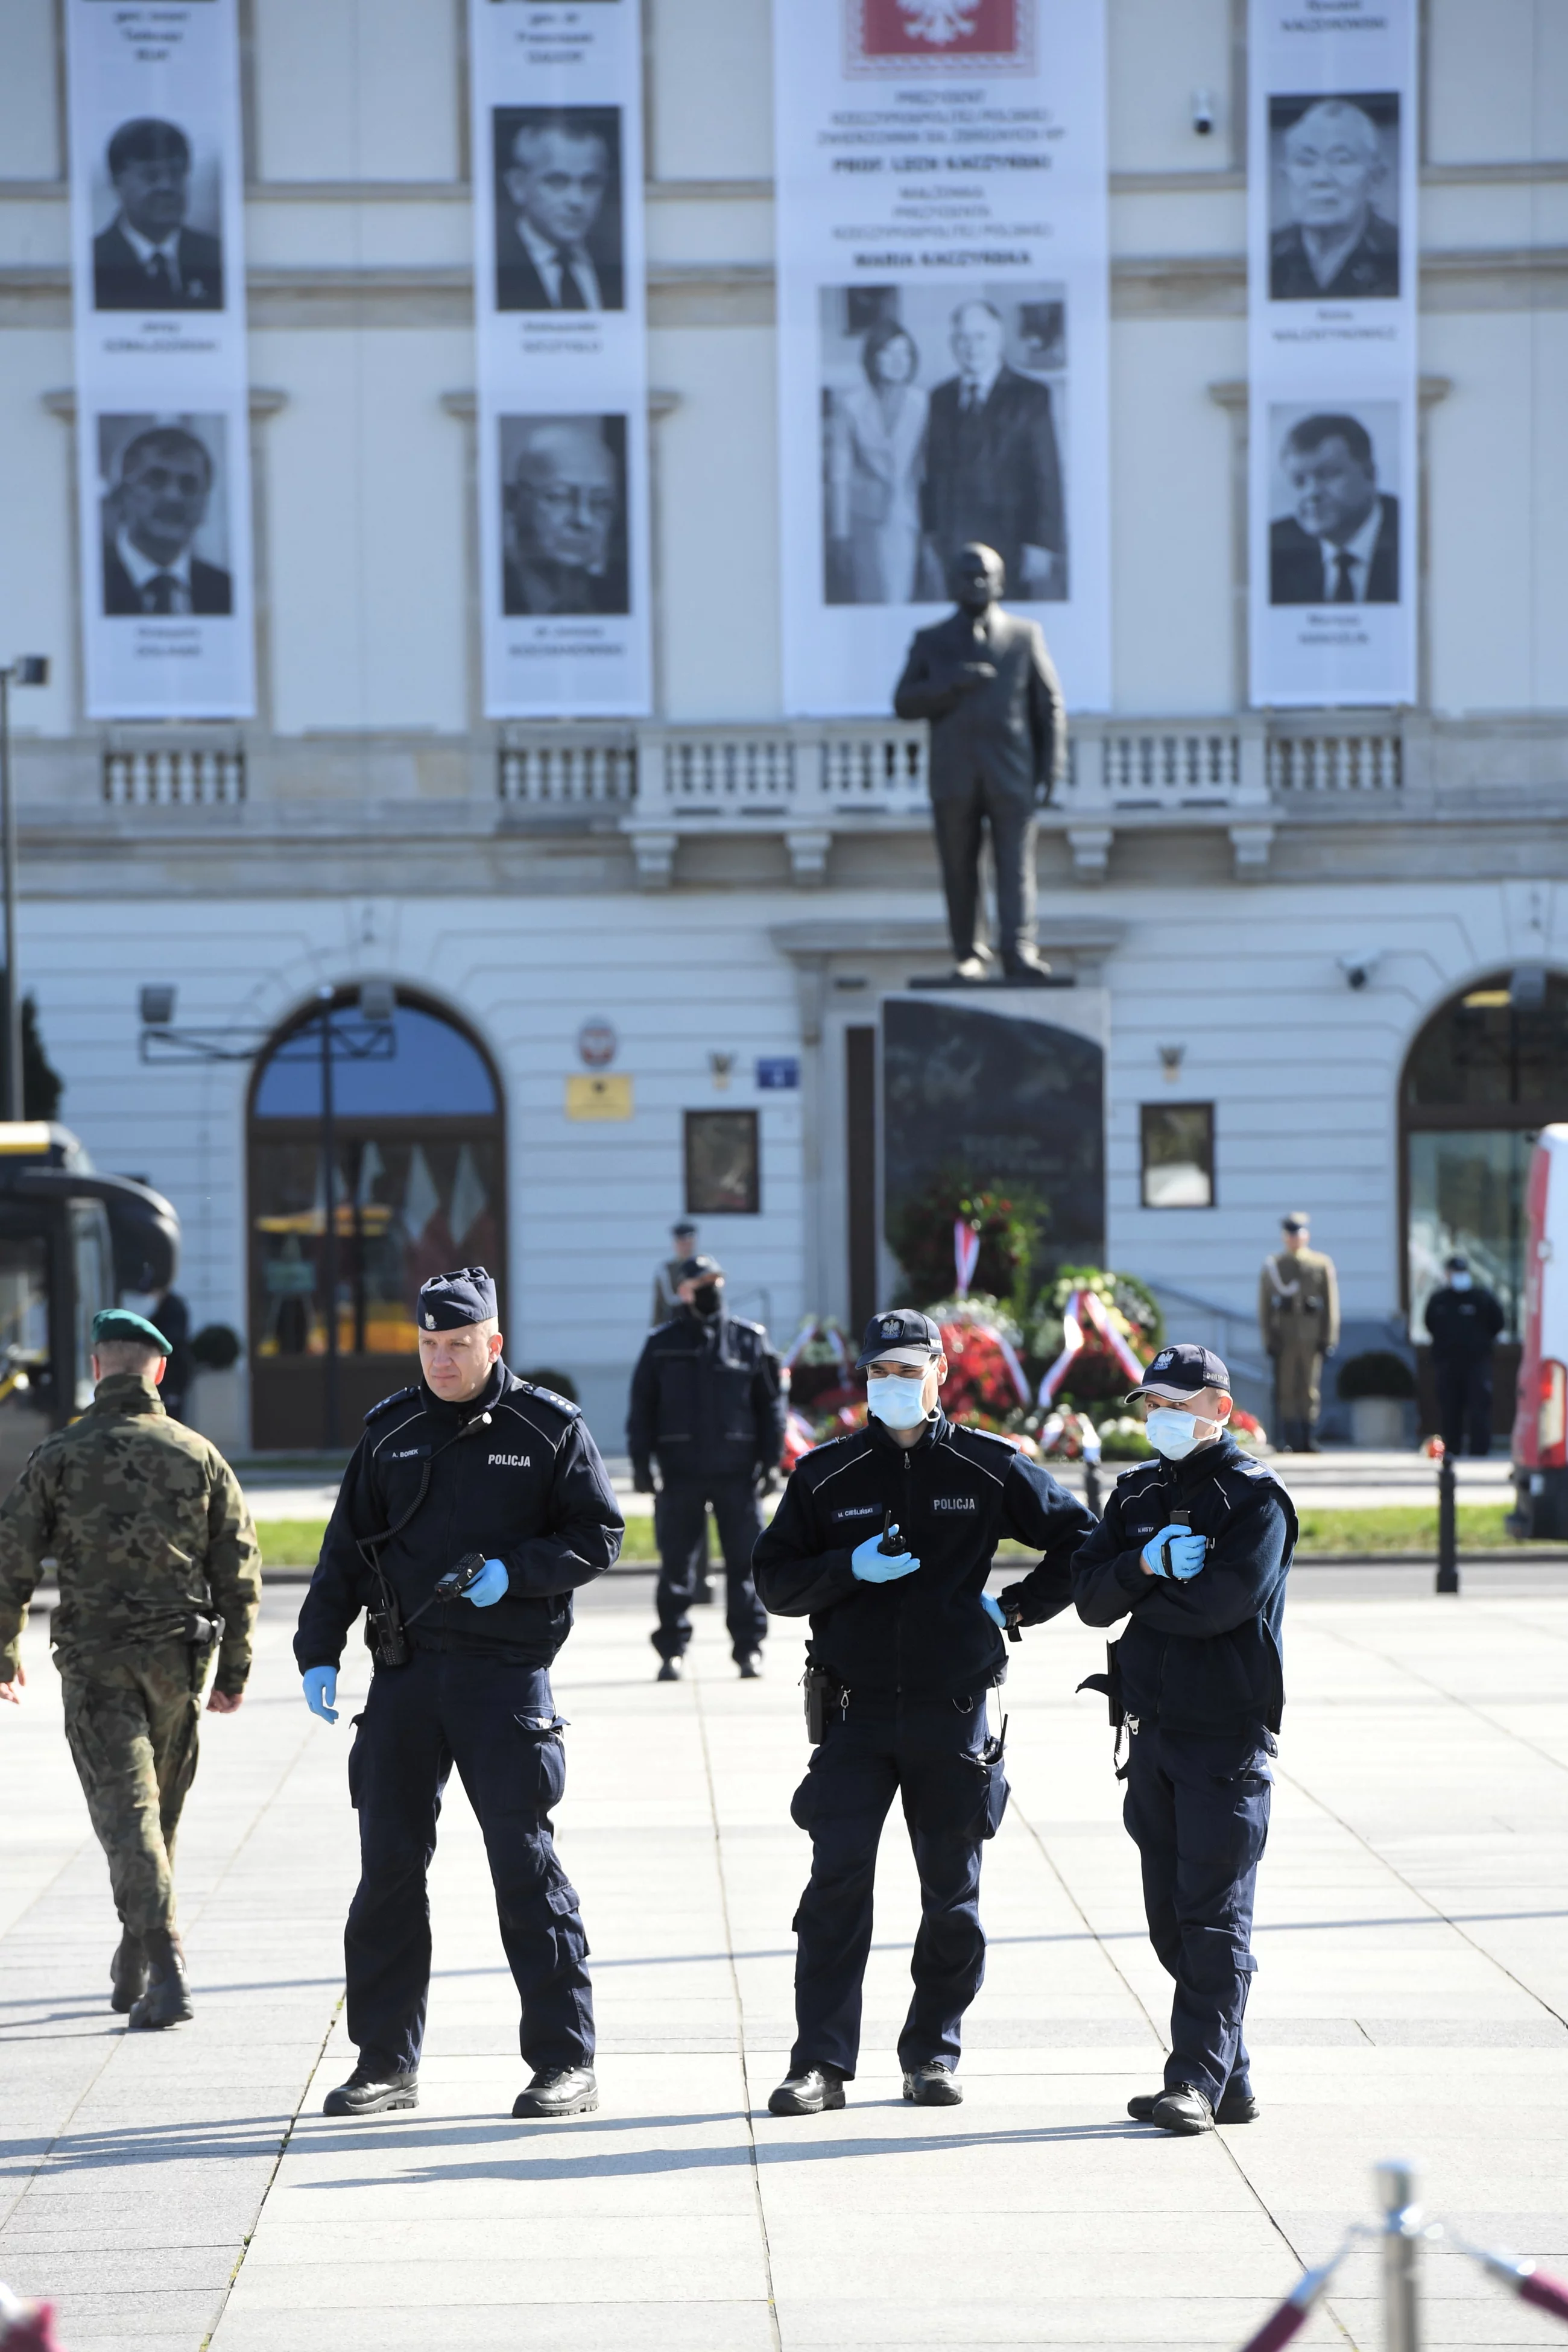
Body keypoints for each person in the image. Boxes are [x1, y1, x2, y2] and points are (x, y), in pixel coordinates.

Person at [294, 1266, 622, 2120]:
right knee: (388, 1873)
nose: (443, 1361)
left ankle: (564, 2062)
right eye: (431, 1345)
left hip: (503, 1679)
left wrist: (517, 1572)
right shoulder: (392, 1431)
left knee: (526, 1868)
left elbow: (601, 1534)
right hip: (406, 1676)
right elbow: (343, 1551)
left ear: (495, 1343)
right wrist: (316, 1648)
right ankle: (384, 2064)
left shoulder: (546, 1427)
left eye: (461, 1345)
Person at [755, 1309, 1094, 2115]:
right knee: (835, 1892)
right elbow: (774, 1582)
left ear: (940, 1375)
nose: (894, 1386)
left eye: (910, 1372)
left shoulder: (983, 1466)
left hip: (952, 1712)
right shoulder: (826, 1475)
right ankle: (821, 2065)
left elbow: (1081, 1539)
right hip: (854, 1715)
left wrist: (1014, 1609)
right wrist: (847, 1568)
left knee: (952, 1899)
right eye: (880, 1373)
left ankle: (933, 2052)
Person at [1031, 1344, 1295, 2135]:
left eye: (1180, 1405)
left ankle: (1192, 2081)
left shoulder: (1255, 1502)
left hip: (1224, 1738)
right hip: (1149, 1732)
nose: (1163, 1419)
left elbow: (1221, 1605)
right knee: (1171, 1920)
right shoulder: (1137, 1493)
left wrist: (1133, 1588)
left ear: (1220, 1407)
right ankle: (1228, 2078)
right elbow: (1085, 1597)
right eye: (1154, 1405)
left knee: (1214, 1918)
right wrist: (1144, 1563)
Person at [0, 1309, 259, 2031]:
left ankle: (165, 1964)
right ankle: (136, 1953)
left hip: (96, 1664)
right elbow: (239, 1568)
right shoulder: (198, 1455)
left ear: (95, 1368)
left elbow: (10, 1558)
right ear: (161, 1371)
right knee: (153, 1813)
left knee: (130, 1813)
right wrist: (234, 1671)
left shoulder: (60, 1454)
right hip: (179, 1664)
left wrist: (5, 1648)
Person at [894, 540, 1064, 983]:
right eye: (966, 576)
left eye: (983, 575)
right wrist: (951, 685)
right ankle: (970, 953)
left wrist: (1051, 768)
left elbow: (1048, 706)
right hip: (955, 776)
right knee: (959, 867)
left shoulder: (1025, 637)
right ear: (952, 584)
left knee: (1016, 867)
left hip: (1012, 772)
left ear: (1000, 582)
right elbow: (904, 702)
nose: (975, 583)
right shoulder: (931, 641)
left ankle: (1019, 950)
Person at [627, 1254, 783, 1681]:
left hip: (737, 1473)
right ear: (683, 1290)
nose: (712, 1290)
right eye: (702, 1283)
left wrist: (772, 1462)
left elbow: (770, 1405)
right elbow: (643, 1407)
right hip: (681, 1473)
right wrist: (640, 1462)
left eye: (716, 1282)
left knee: (745, 1566)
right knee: (676, 1566)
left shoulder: (748, 1340)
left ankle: (749, 1649)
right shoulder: (662, 1343)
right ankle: (672, 1649)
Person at [918, 300, 1064, 602]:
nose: (971, 347)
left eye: (980, 337)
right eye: (963, 338)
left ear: (998, 340)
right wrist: (930, 536)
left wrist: (1041, 545)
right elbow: (932, 473)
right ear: (953, 344)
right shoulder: (940, 398)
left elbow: (1046, 475)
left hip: (1010, 540)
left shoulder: (1031, 396)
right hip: (953, 542)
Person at [827, 320, 929, 605]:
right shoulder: (851, 404)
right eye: (889, 352)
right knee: (869, 599)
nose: (899, 361)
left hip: (908, 518)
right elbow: (840, 474)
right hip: (865, 521)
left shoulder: (923, 404)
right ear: (873, 358)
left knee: (901, 597)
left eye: (905, 353)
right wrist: (840, 532)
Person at [1270, 99, 1398, 302]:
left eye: (1342, 160)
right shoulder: (1270, 252)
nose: (1321, 178)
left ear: (1376, 177)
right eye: (1305, 161)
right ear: (1285, 175)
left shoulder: (1397, 250)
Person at [93, 118, 223, 311]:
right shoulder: (94, 259)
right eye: (151, 176)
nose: (167, 186)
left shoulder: (216, 255)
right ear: (116, 182)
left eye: (176, 174)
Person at [496, 115, 622, 312]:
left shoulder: (617, 265)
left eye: (590, 183)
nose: (576, 201)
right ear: (518, 186)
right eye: (557, 182)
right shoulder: (496, 265)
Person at [1269, 414, 1399, 606]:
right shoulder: (1273, 545)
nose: (1311, 493)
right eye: (1300, 481)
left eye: (1328, 475)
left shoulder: (1410, 529)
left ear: (1370, 474)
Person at [102, 427, 232, 618]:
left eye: (189, 485)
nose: (173, 497)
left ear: (205, 504)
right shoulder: (94, 581)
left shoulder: (226, 591)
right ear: (122, 495)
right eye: (156, 480)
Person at [502, 420, 625, 617]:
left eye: (601, 503)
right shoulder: (490, 592)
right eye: (559, 497)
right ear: (512, 501)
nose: (583, 520)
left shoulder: (617, 602)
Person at [1259, 1214, 1339, 1452]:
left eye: (1298, 1234)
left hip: (1311, 1335)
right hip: (1284, 1336)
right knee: (1286, 1388)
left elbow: (1331, 1304)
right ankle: (1289, 1437)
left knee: (1309, 1388)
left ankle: (1308, 1437)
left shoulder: (1320, 1263)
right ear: (1285, 1238)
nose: (1294, 1239)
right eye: (1290, 1235)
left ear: (1306, 1236)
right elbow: (1264, 1304)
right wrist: (1268, 1338)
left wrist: (1328, 1337)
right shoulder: (1275, 1265)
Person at [1425, 1254, 1505, 1457]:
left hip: (1477, 1363)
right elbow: (1430, 1324)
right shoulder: (1439, 1300)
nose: (1459, 1277)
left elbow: (1497, 1323)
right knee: (1450, 1409)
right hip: (1448, 1363)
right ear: (1447, 1275)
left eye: (1462, 1273)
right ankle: (1452, 1451)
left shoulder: (1481, 1299)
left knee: (1479, 1408)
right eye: (1455, 1273)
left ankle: (1480, 1451)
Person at [651, 1219, 699, 1328]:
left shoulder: (703, 1267)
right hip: (672, 1328)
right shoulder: (665, 1270)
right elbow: (664, 1303)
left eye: (689, 1243)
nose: (686, 1247)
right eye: (682, 1243)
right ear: (675, 1244)